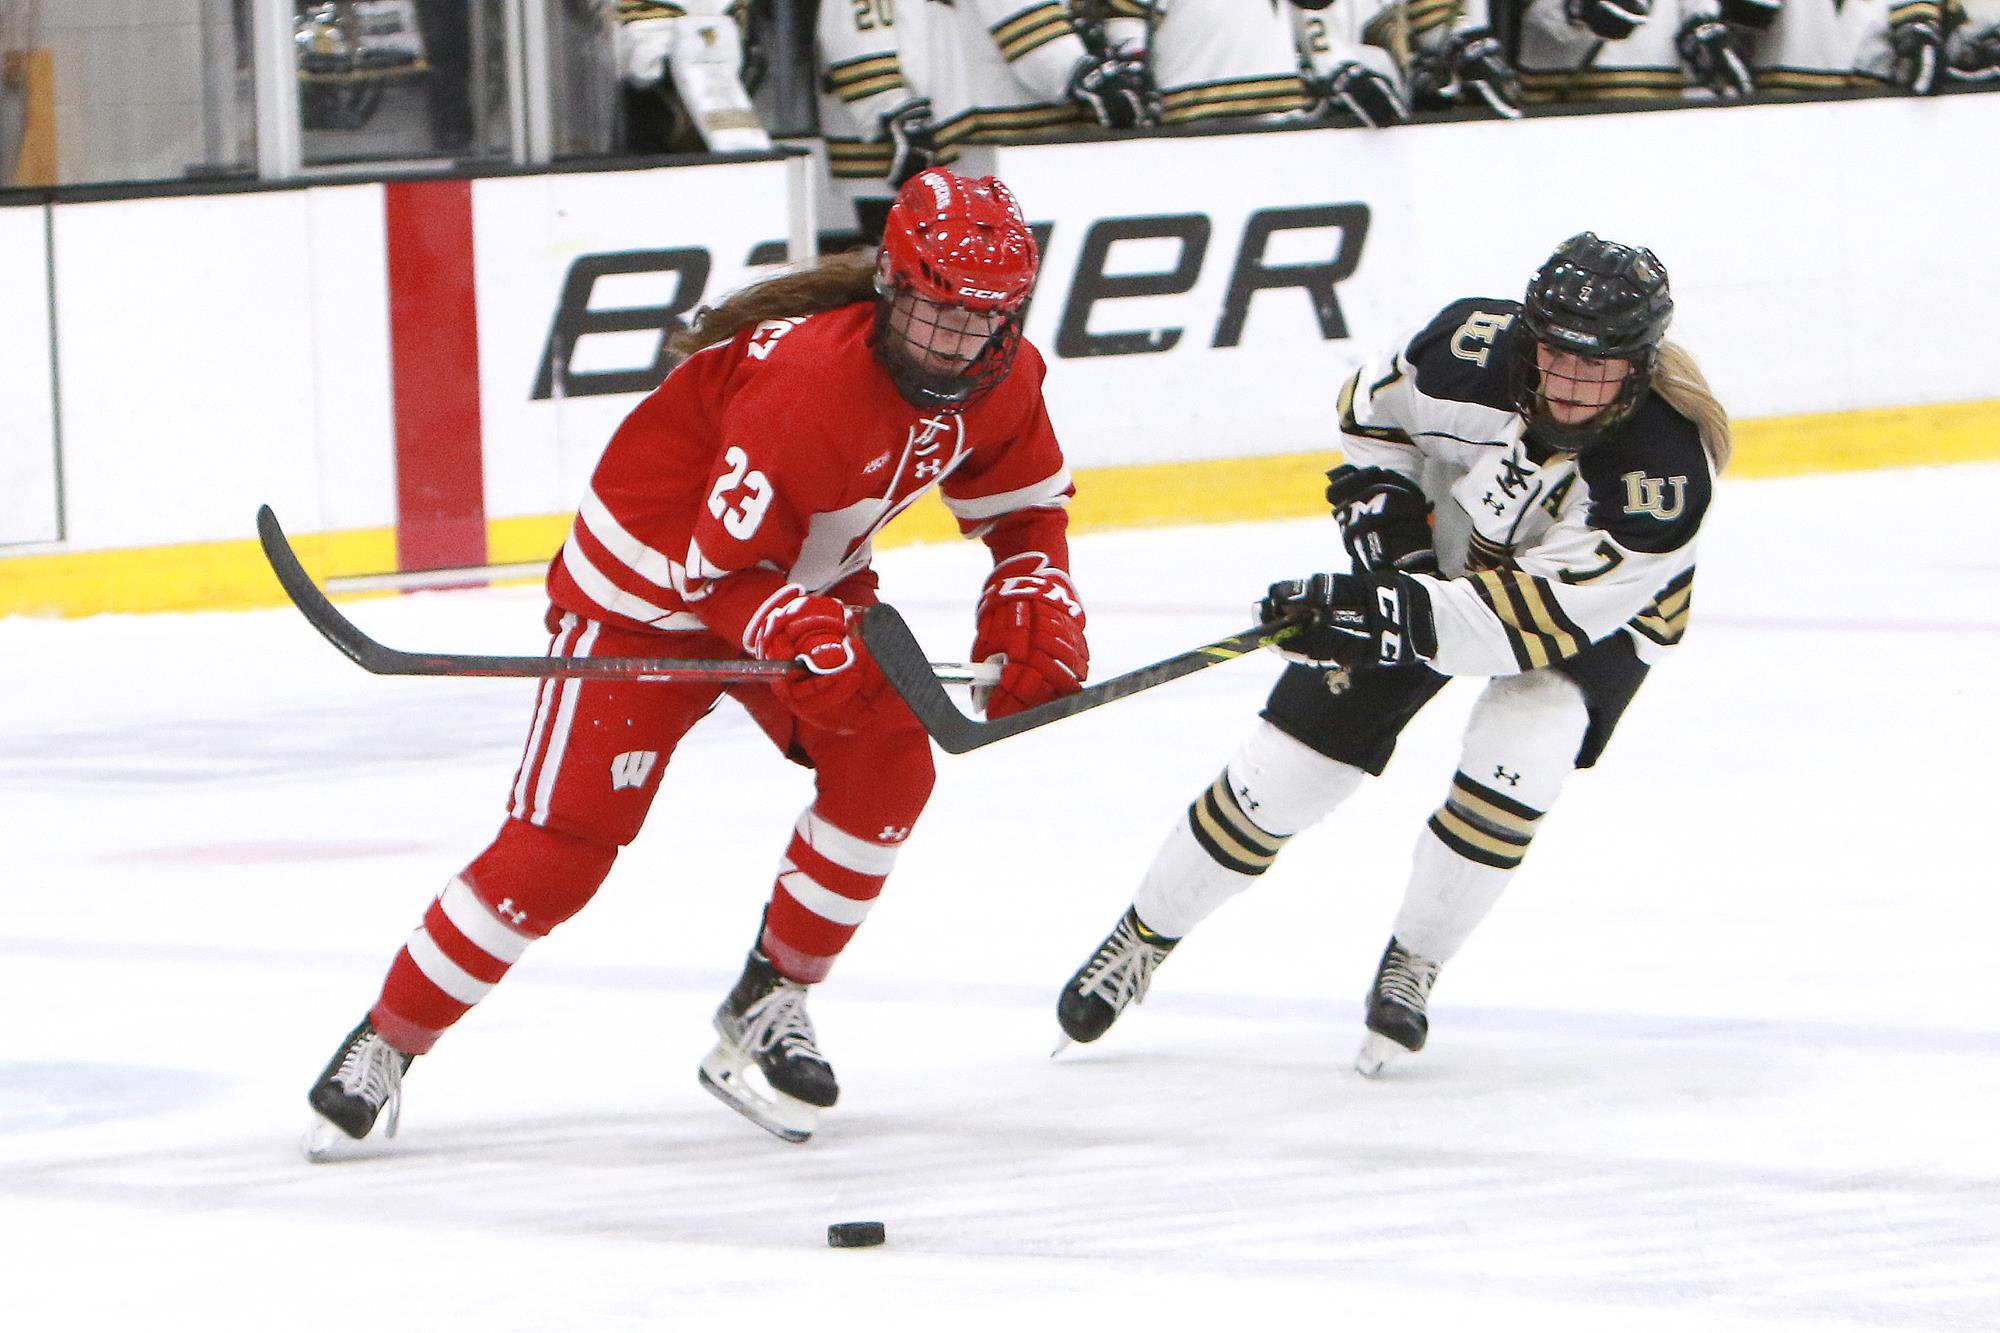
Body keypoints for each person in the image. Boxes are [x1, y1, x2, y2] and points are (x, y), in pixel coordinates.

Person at [305, 167, 1089, 1154]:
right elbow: (715, 575)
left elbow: (1023, 509)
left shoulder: (1003, 377)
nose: (960, 343)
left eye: (985, 320)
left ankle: (770, 1000)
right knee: (562, 848)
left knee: (889, 764)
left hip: (800, 584)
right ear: (893, 287)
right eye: (938, 312)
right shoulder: (805, 385)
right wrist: (797, 629)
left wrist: (1030, 588)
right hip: (645, 598)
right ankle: (388, 1038)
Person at [1054, 233, 1730, 1077]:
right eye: (1558, 357)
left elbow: (1530, 623)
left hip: (1588, 620)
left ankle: (1417, 958)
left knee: (1525, 747)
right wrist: (1385, 526)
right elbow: (1371, 420)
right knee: (1285, 771)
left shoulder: (1659, 476)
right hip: (1445, 564)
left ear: (1639, 364)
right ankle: (1141, 935)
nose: (1571, 389)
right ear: (1530, 335)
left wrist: (1383, 614)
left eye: (1601, 370)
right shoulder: (1464, 353)